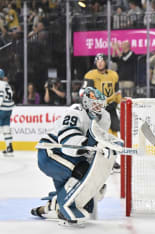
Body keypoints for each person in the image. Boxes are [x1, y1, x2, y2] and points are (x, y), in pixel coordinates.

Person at [31, 87, 121, 225]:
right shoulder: (75, 111)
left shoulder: (103, 116)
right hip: (51, 152)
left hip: (70, 156)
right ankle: (63, 204)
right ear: (85, 102)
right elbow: (68, 144)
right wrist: (90, 145)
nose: (97, 107)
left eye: (99, 104)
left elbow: (99, 139)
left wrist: (111, 144)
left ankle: (49, 207)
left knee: (86, 204)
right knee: (83, 171)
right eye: (94, 103)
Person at [81, 53, 122, 170]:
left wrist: (119, 103)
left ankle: (112, 160)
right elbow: (85, 92)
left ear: (106, 62)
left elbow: (117, 92)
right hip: (98, 109)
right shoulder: (91, 75)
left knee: (113, 134)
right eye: (97, 61)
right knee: (97, 134)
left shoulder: (113, 75)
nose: (100, 63)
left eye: (102, 60)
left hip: (111, 108)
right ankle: (93, 159)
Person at [0, 69, 14, 157]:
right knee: (6, 128)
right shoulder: (7, 84)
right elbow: (11, 95)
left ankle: (9, 147)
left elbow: (0, 97)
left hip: (2, 109)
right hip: (9, 109)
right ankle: (9, 147)